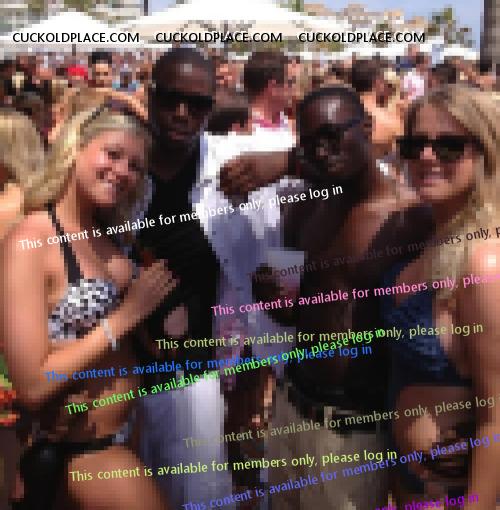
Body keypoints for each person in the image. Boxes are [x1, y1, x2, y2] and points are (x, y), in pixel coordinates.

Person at [1, 104, 175, 510]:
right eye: (112, 154)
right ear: (75, 147)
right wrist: (126, 316)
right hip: (82, 452)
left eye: (135, 166)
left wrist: (156, 325)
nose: (122, 171)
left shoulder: (108, 234)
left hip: (127, 434)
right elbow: (33, 384)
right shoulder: (30, 241)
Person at [386, 85, 500, 508]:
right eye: (414, 145)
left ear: (485, 153)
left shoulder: (483, 263)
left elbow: (496, 415)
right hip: (407, 486)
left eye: (449, 146)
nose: (427, 157)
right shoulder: (430, 234)